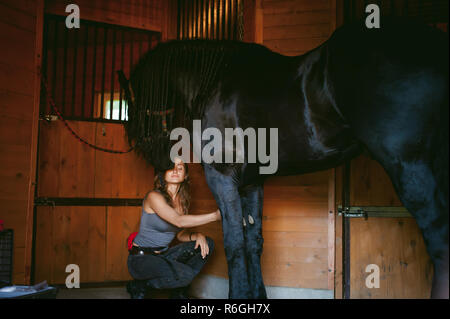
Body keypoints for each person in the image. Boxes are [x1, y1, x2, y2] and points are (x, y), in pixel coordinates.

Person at [126, 157, 221, 299]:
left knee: (208, 243)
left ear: (185, 175)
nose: (176, 170)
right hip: (141, 259)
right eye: (171, 167)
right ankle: (140, 285)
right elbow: (178, 221)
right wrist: (216, 216)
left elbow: (179, 234)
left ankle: (178, 289)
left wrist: (197, 236)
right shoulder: (154, 196)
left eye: (180, 167)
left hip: (163, 255)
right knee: (186, 275)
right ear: (163, 173)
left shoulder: (182, 203)